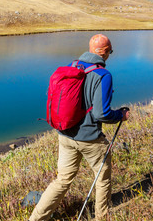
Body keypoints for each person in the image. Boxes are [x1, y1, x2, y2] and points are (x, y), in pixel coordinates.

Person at [29, 34, 130, 221]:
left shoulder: (72, 66)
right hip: (90, 139)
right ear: (105, 52)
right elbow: (102, 113)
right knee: (102, 179)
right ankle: (101, 217)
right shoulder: (103, 75)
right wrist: (120, 116)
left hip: (65, 135)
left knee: (62, 180)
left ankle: (35, 219)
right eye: (110, 51)